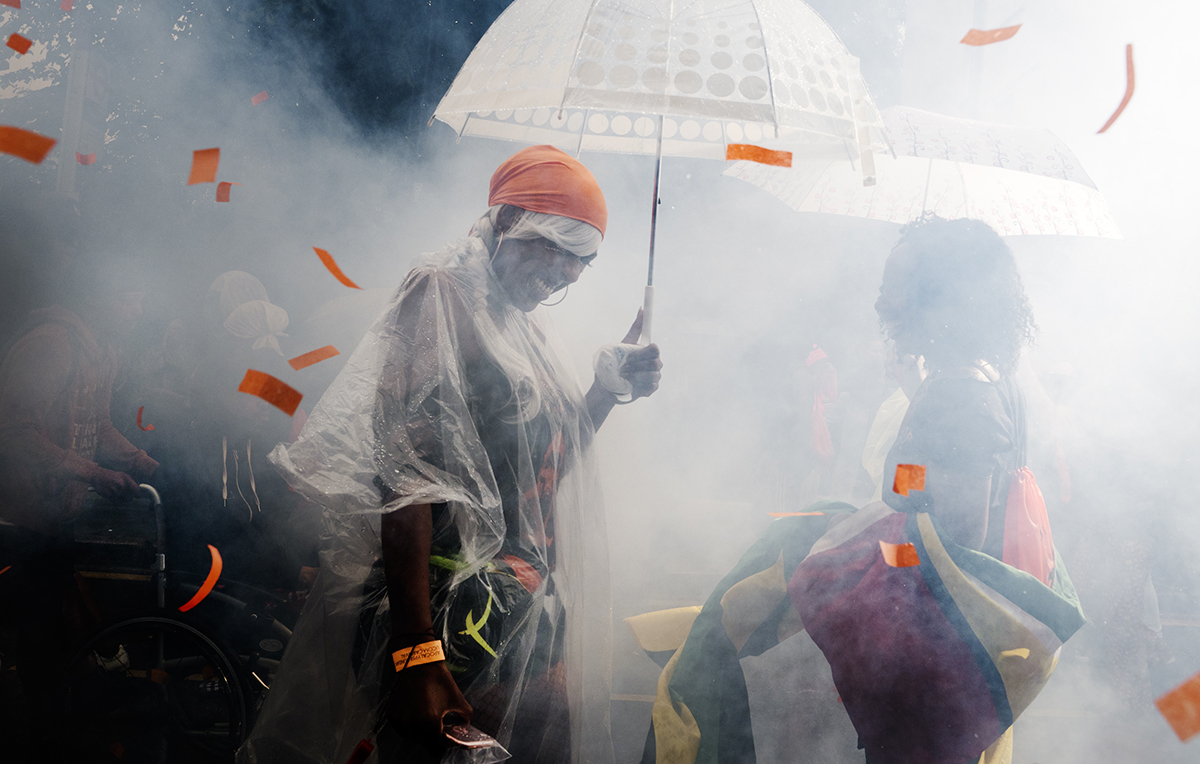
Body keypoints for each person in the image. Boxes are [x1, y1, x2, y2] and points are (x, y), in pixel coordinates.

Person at [239, 145, 661, 764]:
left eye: (584, 260)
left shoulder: (519, 320)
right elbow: (406, 478)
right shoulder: (442, 293)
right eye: (559, 247)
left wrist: (605, 391)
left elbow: (536, 475)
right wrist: (418, 653)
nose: (571, 273)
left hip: (511, 600)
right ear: (509, 220)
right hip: (444, 604)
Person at [641, 216, 1083, 764]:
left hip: (932, 652)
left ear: (938, 298)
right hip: (938, 651)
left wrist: (860, 544)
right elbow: (923, 489)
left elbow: (953, 552)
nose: (880, 304)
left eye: (894, 287)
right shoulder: (979, 378)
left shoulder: (961, 393)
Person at [0, 279, 159, 752]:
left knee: (52, 632)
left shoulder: (104, 351)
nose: (137, 311)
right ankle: (37, 741)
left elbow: (99, 423)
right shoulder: (50, 344)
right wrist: (92, 472)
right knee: (39, 637)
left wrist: (142, 462)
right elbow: (14, 432)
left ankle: (50, 732)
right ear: (100, 297)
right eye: (129, 298)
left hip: (55, 516)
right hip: (16, 517)